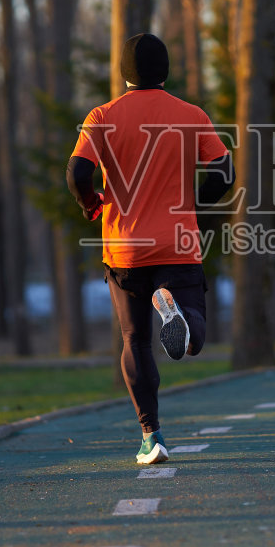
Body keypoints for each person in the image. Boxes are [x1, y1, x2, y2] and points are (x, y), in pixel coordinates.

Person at [66, 33, 233, 465]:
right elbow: (224, 172)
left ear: (124, 73)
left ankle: (151, 436)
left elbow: (78, 171)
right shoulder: (190, 114)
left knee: (134, 340)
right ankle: (180, 314)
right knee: (194, 337)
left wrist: (90, 203)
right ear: (166, 70)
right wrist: (192, 203)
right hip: (177, 244)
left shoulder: (101, 116)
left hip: (124, 249)